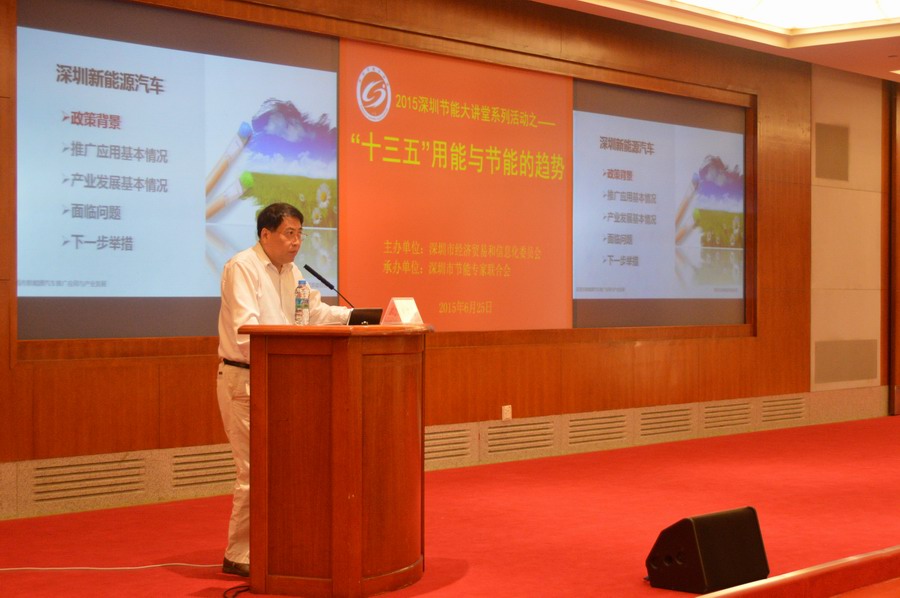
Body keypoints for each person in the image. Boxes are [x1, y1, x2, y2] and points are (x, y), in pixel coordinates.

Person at [216, 202, 350, 577]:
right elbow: (246, 331)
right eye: (289, 233)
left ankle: (273, 544)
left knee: (283, 470)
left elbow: (315, 314)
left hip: (283, 379)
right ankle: (239, 553)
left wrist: (358, 317)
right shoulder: (242, 267)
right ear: (266, 234)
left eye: (300, 234)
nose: (297, 242)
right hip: (245, 379)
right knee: (253, 469)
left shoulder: (292, 272)